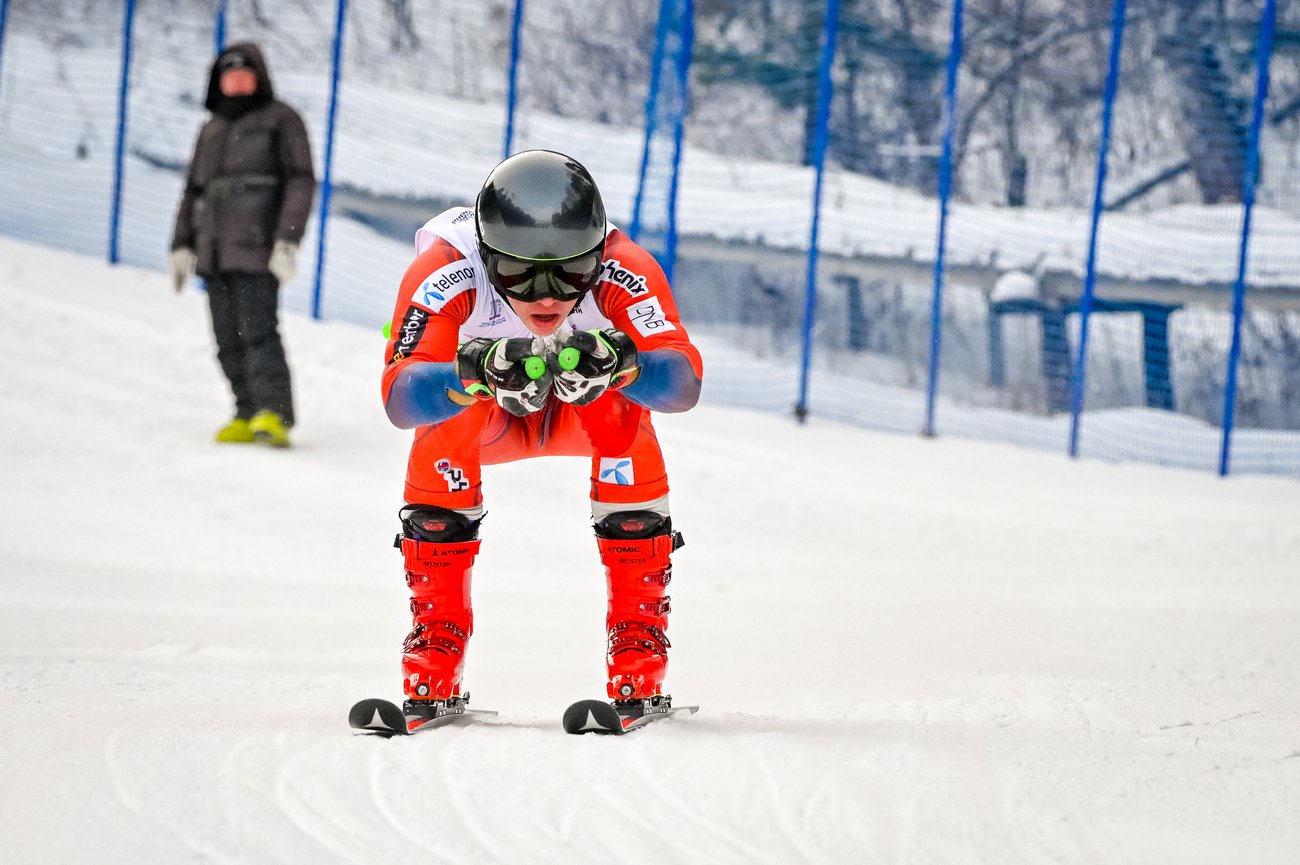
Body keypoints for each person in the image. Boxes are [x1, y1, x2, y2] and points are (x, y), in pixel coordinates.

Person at [381, 149, 703, 724]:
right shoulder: (444, 269)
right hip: (491, 421)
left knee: (624, 406)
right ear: (485, 255)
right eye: (518, 274)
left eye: (572, 272)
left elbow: (682, 385)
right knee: (447, 417)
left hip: (586, 415)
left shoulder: (626, 266)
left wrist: (624, 365)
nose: (546, 295)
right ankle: (437, 642)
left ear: (599, 253)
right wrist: (472, 370)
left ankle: (639, 642)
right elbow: (401, 400)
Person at [170, 43, 316, 448]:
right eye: (228, 74)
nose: (236, 80)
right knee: (225, 337)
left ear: (259, 77)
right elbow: (193, 190)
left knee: (258, 331)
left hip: (257, 249)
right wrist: (181, 244)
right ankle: (245, 410)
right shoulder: (211, 128)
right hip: (213, 251)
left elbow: (301, 179)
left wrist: (287, 240)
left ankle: (273, 414)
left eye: (244, 73)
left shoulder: (282, 120)